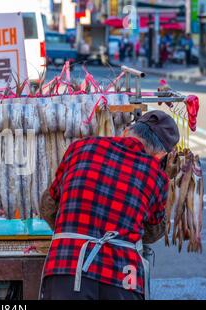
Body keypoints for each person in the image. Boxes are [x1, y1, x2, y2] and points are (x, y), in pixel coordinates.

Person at [39, 110, 180, 300]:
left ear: (127, 131)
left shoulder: (80, 147)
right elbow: (153, 232)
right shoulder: (156, 174)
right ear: (161, 154)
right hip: (123, 278)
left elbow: (49, 203)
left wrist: (75, 229)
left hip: (68, 267)